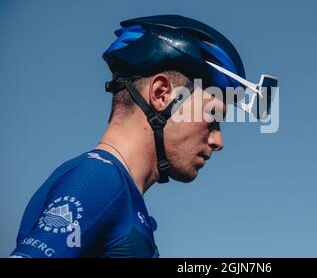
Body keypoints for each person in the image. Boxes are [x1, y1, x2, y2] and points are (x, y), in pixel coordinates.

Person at [10, 15, 277, 258]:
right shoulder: (100, 182)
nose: (218, 141)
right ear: (161, 94)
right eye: (212, 117)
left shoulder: (119, 193)